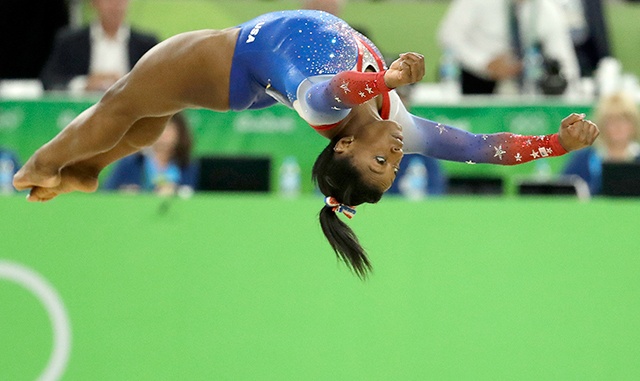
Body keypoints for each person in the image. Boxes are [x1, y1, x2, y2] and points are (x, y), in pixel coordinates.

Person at [14, 10, 598, 278]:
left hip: (234, 60)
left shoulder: (327, 109)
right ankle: (90, 168)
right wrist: (555, 142)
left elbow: (334, 83)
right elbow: (479, 148)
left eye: (381, 159)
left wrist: (385, 80)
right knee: (151, 113)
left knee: (122, 98)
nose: (396, 150)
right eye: (394, 163)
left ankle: (39, 167)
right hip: (250, 70)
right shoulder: (395, 123)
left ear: (343, 149)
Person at [438, 0, 580, 95]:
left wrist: (568, 88)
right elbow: (449, 35)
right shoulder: (477, 2)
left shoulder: (546, 9)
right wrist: (484, 63)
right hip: (476, 83)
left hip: (524, 83)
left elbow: (564, 59)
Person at [40, 0, 158, 92]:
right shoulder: (70, 42)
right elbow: (48, 80)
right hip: (82, 112)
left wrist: (128, 82)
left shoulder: (146, 44)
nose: (115, 5)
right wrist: (84, 83)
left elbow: (159, 81)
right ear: (94, 2)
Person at [103, 112, 199, 195]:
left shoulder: (188, 165)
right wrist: (123, 192)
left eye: (169, 129)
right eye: (160, 129)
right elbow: (106, 192)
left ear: (180, 133)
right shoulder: (131, 162)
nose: (164, 134)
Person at [562, 92, 639, 195]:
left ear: (634, 124)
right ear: (601, 125)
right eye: (612, 121)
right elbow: (562, 192)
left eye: (624, 120)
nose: (618, 126)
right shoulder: (584, 159)